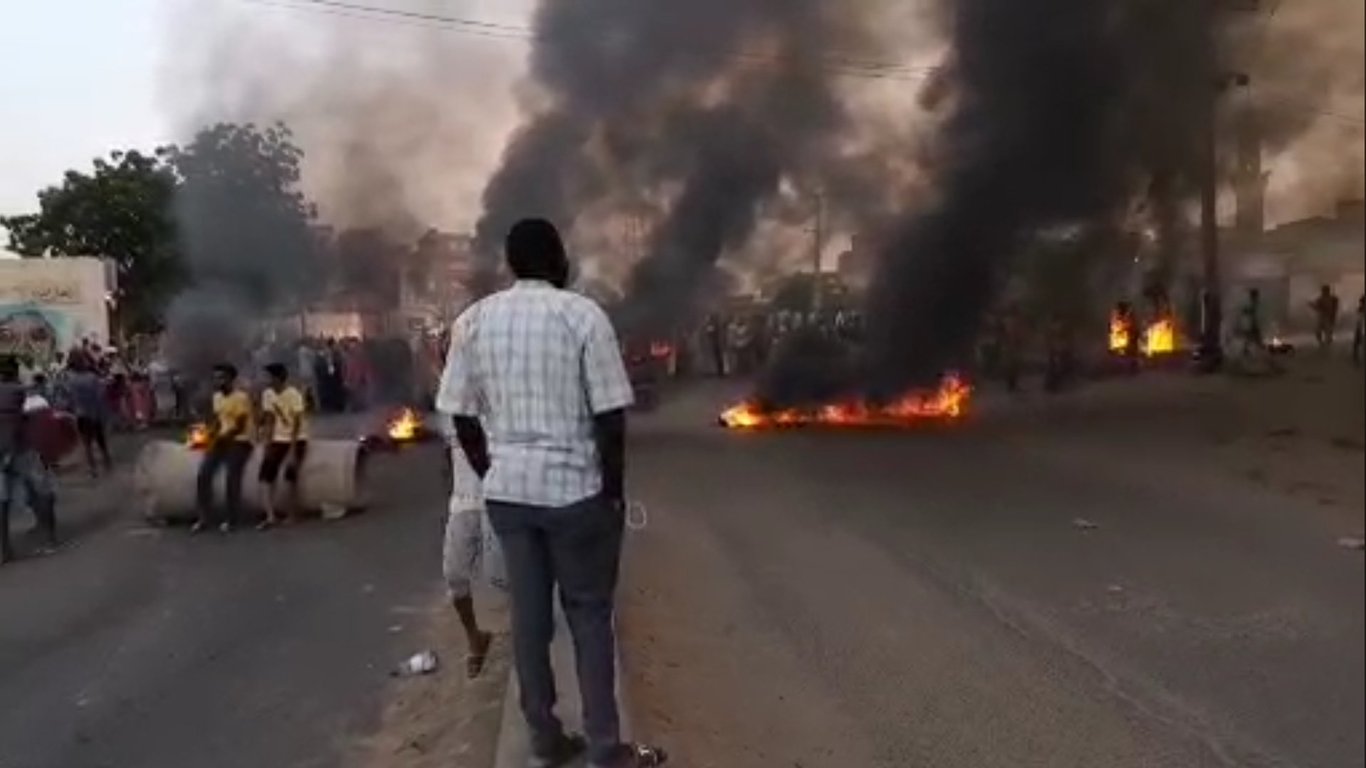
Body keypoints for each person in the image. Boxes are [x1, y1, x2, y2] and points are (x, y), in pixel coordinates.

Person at [438, 219, 667, 768]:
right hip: (575, 493)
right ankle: (606, 750)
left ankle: (545, 740)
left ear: (512, 264)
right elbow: (611, 417)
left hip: (510, 498)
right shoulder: (583, 316)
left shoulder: (473, 322)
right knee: (589, 617)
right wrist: (613, 493)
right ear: (558, 259)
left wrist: (491, 468)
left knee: (530, 621)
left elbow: (460, 414)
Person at [441, 426, 500, 678]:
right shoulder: (450, 406)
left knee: (504, 577)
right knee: (454, 575)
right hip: (462, 501)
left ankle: (529, 640)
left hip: (499, 498)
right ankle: (475, 638)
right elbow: (449, 452)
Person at [1, 355, 59, 563]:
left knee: (3, 501)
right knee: (41, 492)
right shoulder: (26, 394)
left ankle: (5, 550)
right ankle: (49, 540)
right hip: (25, 449)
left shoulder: (19, 393)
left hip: (8, 452)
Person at [195, 363, 255, 534]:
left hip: (240, 440)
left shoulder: (241, 398)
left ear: (231, 379)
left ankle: (232, 518)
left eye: (221, 378)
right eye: (215, 378)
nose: (218, 381)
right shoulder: (217, 398)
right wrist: (207, 436)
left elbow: (240, 425)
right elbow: (218, 421)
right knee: (204, 473)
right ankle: (203, 517)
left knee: (232, 476)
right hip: (223, 439)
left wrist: (222, 438)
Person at [257, 363, 308, 529]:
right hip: (278, 438)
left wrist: (292, 450)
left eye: (269, 377)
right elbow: (270, 419)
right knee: (265, 474)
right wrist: (267, 442)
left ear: (278, 378)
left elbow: (297, 423)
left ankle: (292, 512)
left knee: (290, 473)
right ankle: (270, 515)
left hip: (296, 438)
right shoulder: (268, 394)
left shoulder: (293, 394)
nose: (267, 381)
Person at [65, 356, 113, 478]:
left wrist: (72, 411)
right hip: (94, 413)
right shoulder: (93, 378)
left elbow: (70, 399)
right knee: (101, 441)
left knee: (87, 444)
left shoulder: (72, 380)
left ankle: (93, 469)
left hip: (82, 414)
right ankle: (107, 463)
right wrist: (103, 414)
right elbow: (100, 396)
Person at [1310, 284, 1341, 351]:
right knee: (1318, 331)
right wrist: (1312, 305)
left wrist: (1333, 315)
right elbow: (1317, 307)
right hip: (1321, 317)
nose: (1324, 292)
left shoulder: (1333, 299)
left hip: (1328, 317)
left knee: (1328, 332)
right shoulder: (1320, 299)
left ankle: (1327, 344)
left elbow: (1335, 308)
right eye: (1324, 290)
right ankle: (1322, 343)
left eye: (1325, 290)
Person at [1354, 295, 1365, 366]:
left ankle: (1357, 357)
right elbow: (1359, 319)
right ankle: (1356, 357)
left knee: (1358, 342)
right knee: (1358, 342)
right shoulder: (1360, 309)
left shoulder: (1360, 309)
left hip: (1361, 327)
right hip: (1361, 327)